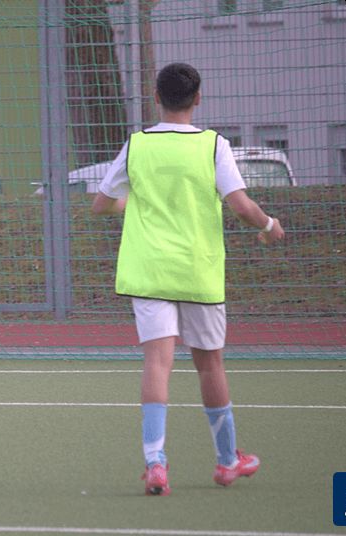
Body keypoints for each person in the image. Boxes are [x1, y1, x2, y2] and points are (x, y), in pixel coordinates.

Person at [91, 62, 285, 496]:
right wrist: (269, 225)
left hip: (149, 272)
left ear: (156, 98)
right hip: (198, 272)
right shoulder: (214, 145)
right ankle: (227, 461)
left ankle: (155, 464)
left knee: (157, 363)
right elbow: (240, 205)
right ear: (198, 98)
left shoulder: (137, 144)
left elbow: (101, 204)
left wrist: (131, 205)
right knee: (210, 364)